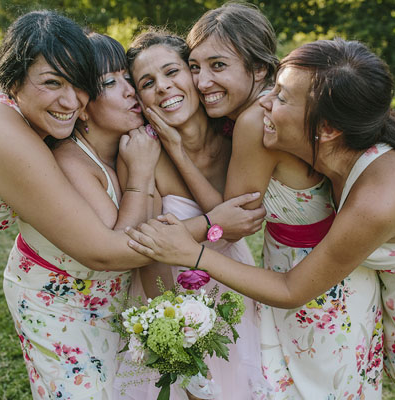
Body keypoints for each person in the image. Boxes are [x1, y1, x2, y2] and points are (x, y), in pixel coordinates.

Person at [0, 10, 262, 399]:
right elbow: (104, 250)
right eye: (51, 83)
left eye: (78, 84)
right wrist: (210, 222)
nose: (70, 100)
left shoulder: (26, 113)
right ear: (13, 79)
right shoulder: (4, 134)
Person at [125, 38, 395, 400]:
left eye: (279, 98)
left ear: (326, 129)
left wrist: (193, 254)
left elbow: (291, 290)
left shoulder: (378, 199)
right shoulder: (350, 134)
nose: (263, 101)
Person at [186, 4, 383, 398]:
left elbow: (235, 220)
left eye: (218, 65)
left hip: (310, 275)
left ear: (260, 70)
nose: (202, 80)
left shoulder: (256, 121)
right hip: (337, 269)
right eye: (194, 66)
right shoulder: (288, 105)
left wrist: (176, 149)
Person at [2, 32, 161, 399]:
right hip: (55, 301)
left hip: (105, 299)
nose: (130, 90)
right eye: (110, 83)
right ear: (83, 105)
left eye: (128, 78)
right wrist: (140, 176)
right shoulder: (70, 160)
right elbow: (119, 251)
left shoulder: (126, 147)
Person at [114, 30, 267, 400]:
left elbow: (240, 225)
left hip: (233, 284)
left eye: (172, 72)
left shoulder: (237, 138)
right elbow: (148, 254)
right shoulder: (142, 151)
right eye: (148, 82)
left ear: (195, 76)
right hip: (172, 296)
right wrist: (175, 340)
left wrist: (179, 149)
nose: (163, 87)